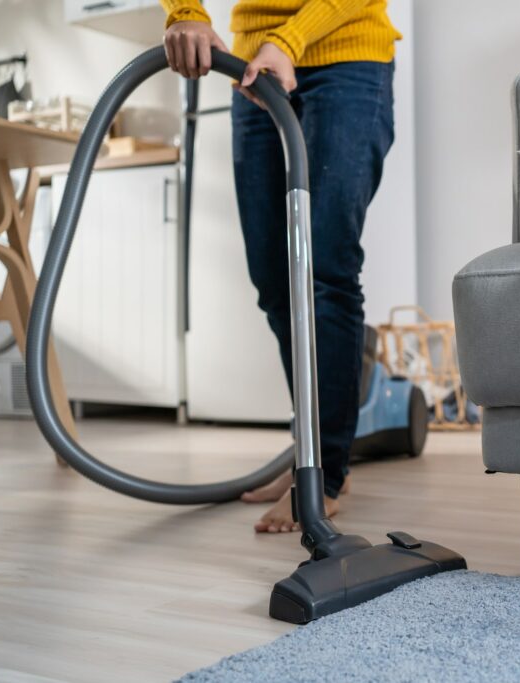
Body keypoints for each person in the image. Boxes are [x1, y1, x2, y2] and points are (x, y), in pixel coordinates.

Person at [160, 0, 399, 532]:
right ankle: (309, 459)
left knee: (324, 270)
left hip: (347, 57)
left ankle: (324, 475)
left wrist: (291, 40)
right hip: (251, 65)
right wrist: (184, 12)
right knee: (274, 279)